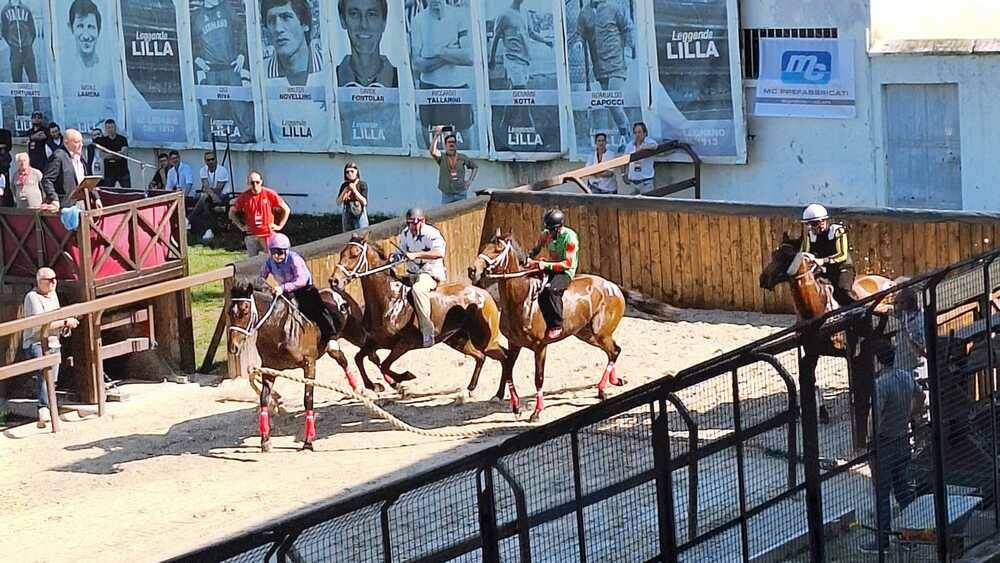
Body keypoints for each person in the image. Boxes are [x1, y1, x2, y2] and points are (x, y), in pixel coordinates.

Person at [861, 340, 916, 554]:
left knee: (882, 493)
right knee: (903, 490)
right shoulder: (905, 377)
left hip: (884, 443)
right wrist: (911, 415)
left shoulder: (881, 384)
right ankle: (910, 535)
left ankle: (882, 540)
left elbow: (874, 416)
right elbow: (919, 397)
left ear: (877, 360)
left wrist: (869, 439)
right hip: (902, 438)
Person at [259, 233, 340, 353]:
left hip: (304, 289)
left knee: (317, 309)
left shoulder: (295, 259)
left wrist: (283, 287)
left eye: (280, 252)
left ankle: (331, 337)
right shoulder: (269, 262)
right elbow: (261, 276)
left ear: (286, 251)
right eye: (273, 252)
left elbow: (301, 280)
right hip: (285, 291)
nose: (277, 256)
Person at [410, 0, 475, 144]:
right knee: (431, 140)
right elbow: (418, 64)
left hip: (458, 87)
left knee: (465, 138)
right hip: (430, 89)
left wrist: (437, 51)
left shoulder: (459, 16)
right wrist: (452, 54)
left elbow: (469, 58)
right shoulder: (418, 21)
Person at [21, 267, 79, 428]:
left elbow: (56, 319)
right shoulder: (32, 297)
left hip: (53, 341)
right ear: (40, 282)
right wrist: (66, 322)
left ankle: (48, 409)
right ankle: (43, 408)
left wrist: (65, 325)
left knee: (52, 378)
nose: (54, 283)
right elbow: (42, 325)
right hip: (36, 341)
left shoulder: (53, 295)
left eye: (55, 279)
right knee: (45, 375)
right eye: (50, 280)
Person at [190, 0, 253, 143]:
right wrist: (196, 58)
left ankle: (248, 142)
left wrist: (242, 53)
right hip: (211, 71)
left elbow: (243, 28)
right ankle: (218, 143)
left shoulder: (226, 8)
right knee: (216, 110)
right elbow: (187, 41)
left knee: (240, 109)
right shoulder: (197, 16)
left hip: (231, 68)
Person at [488, 0, 553, 131]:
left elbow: (531, 33)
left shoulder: (525, 13)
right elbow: (496, 38)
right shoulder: (504, 15)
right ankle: (531, 125)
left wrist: (545, 41)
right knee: (522, 92)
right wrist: (492, 59)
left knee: (514, 95)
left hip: (524, 61)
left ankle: (504, 125)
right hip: (512, 60)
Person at [578, 0, 633, 148]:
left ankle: (627, 137)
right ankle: (626, 138)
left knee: (613, 101)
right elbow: (580, 36)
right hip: (599, 67)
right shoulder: (584, 13)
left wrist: (628, 52)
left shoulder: (615, 7)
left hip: (616, 63)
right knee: (610, 104)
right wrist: (578, 45)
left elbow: (628, 28)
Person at [392, 208, 445, 348]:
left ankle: (427, 330)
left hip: (429, 274)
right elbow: (398, 252)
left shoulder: (432, 233)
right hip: (411, 274)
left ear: (423, 221)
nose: (413, 227)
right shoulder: (404, 233)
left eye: (415, 224)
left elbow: (439, 253)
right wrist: (394, 258)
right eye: (410, 224)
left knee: (417, 290)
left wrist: (416, 255)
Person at [62, 0, 116, 132]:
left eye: (91, 27)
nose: (86, 36)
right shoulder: (63, 75)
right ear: (71, 27)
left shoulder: (111, 73)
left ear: (99, 29)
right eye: (80, 26)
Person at [526, 208, 579, 340]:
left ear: (559, 227)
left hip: (564, 271)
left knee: (550, 290)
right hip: (551, 265)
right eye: (548, 230)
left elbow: (567, 264)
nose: (549, 233)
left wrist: (544, 265)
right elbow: (536, 248)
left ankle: (556, 325)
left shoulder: (570, 238)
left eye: (552, 230)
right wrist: (529, 258)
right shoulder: (546, 234)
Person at [800, 203, 856, 307]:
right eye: (808, 224)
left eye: (813, 224)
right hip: (824, 271)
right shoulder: (810, 236)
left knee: (841, 291)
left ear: (823, 222)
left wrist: (823, 261)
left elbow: (842, 255)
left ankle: (858, 312)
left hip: (842, 268)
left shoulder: (838, 231)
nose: (810, 228)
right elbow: (806, 254)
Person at [335, 0, 397, 88]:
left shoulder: (407, 84)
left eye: (371, 14)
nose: (364, 25)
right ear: (343, 20)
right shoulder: (325, 82)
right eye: (354, 14)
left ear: (384, 22)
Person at [229, 171, 291, 257]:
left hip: (267, 234)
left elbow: (286, 209)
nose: (255, 185)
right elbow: (231, 212)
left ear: (261, 182)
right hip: (251, 235)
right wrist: (241, 226)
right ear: (248, 183)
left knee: (271, 259)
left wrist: (280, 226)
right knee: (252, 263)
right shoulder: (244, 196)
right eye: (252, 183)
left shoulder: (269, 193)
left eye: (257, 182)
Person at [42, 128, 101, 208]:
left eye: (81, 141)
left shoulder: (80, 156)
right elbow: (47, 180)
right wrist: (54, 199)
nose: (81, 145)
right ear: (66, 143)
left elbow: (87, 178)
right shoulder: (58, 156)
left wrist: (96, 197)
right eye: (77, 142)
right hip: (66, 204)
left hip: (82, 201)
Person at [1, 0, 38, 117]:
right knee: (17, 83)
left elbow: (33, 30)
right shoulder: (5, 11)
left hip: (28, 51)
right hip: (15, 52)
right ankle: (20, 113)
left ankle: (37, 111)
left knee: (33, 81)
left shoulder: (26, 9)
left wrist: (28, 43)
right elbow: (4, 31)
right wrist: (13, 44)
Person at [430, 126, 478, 204]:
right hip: (447, 195)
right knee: (446, 215)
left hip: (461, 194)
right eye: (449, 142)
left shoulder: (462, 157)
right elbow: (432, 151)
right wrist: (436, 135)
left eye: (453, 142)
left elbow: (475, 167)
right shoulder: (442, 157)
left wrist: (470, 181)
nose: (451, 144)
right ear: (445, 145)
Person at [190, 151, 230, 240]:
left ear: (216, 160)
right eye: (208, 160)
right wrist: (210, 193)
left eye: (212, 159)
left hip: (223, 196)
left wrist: (208, 191)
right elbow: (205, 185)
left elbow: (218, 189)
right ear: (205, 161)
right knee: (205, 201)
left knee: (204, 198)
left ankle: (189, 220)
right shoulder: (203, 170)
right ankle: (209, 229)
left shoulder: (222, 170)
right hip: (211, 197)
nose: (211, 161)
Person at [623, 121, 657, 194]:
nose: (637, 135)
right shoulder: (630, 145)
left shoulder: (649, 142)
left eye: (639, 132)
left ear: (644, 133)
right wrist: (624, 174)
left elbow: (655, 146)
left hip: (645, 183)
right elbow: (624, 161)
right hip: (632, 183)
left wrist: (643, 147)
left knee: (648, 204)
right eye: (635, 133)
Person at [95, 118, 129, 188]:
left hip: (123, 171)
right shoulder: (103, 140)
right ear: (105, 129)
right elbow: (103, 156)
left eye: (111, 127)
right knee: (108, 192)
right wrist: (116, 154)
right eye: (108, 128)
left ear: (115, 127)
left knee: (127, 191)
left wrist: (111, 155)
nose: (110, 129)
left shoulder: (122, 139)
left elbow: (123, 154)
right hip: (109, 172)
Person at [337, 161, 369, 232]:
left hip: (360, 214)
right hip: (347, 214)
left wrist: (354, 190)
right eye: (347, 172)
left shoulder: (362, 184)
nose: (350, 174)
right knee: (347, 236)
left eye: (352, 171)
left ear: (357, 172)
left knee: (362, 234)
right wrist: (345, 191)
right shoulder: (344, 185)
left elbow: (364, 202)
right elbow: (338, 202)